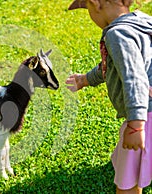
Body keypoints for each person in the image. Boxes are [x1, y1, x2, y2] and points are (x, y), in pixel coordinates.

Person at [65, 0, 152, 193]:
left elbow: (134, 77)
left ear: (95, 4)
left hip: (146, 116)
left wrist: (136, 125)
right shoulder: (143, 21)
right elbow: (113, 66)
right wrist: (85, 79)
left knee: (129, 180)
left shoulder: (117, 34)